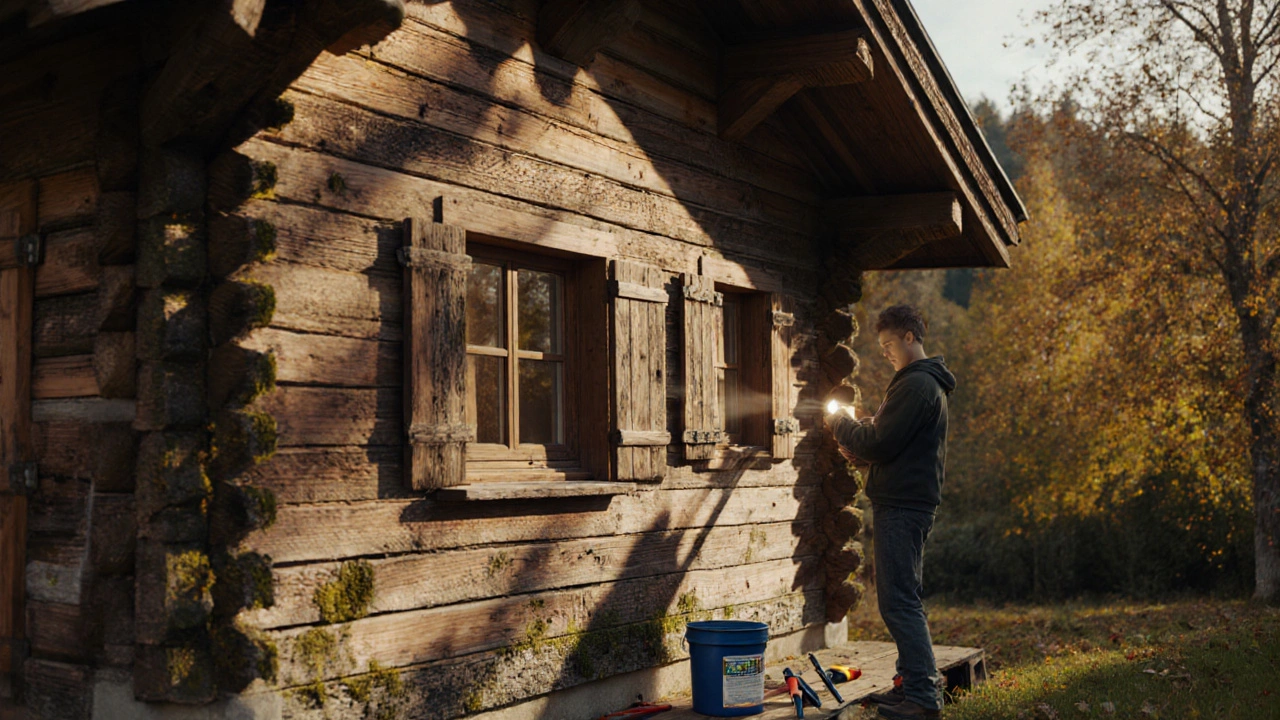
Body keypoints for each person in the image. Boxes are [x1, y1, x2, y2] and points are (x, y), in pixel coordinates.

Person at [824, 304, 955, 719]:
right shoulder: (919, 384)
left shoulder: (917, 385)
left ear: (909, 337)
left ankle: (922, 697)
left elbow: (880, 443)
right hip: (904, 502)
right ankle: (910, 685)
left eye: (888, 344)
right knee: (902, 599)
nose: (884, 352)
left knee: (899, 602)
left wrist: (840, 422)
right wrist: (864, 451)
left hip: (902, 506)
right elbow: (893, 446)